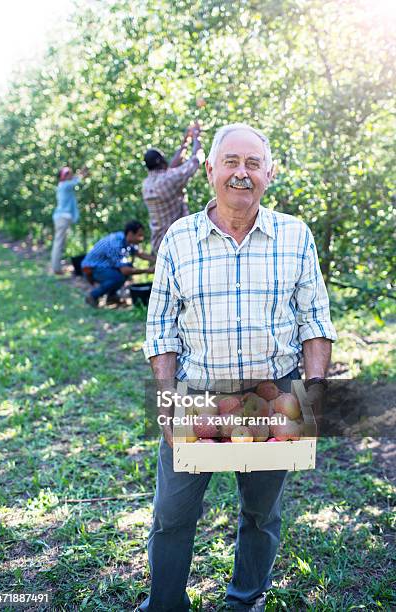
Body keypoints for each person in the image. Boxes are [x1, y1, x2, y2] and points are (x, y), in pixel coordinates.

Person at [141, 123, 337, 611]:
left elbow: (315, 320)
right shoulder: (179, 239)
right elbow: (161, 328)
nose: (241, 173)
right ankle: (165, 604)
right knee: (171, 515)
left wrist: (313, 392)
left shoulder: (295, 235)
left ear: (270, 173)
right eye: (231, 161)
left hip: (275, 398)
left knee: (260, 514)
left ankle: (245, 600)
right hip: (197, 397)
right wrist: (166, 402)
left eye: (253, 164)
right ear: (210, 170)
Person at [142, 123, 205, 254]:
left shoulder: (147, 184)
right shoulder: (169, 179)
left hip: (159, 243)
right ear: (161, 161)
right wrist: (196, 137)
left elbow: (171, 170)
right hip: (177, 242)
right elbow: (196, 159)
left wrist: (185, 142)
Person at [81, 220, 155, 308]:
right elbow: (125, 271)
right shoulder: (116, 243)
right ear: (131, 234)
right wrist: (148, 270)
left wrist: (159, 259)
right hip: (91, 269)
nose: (141, 239)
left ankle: (111, 297)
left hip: (103, 267)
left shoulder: (126, 239)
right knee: (119, 276)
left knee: (127, 268)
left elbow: (140, 254)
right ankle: (92, 296)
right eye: (139, 235)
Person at [51, 165, 88, 274]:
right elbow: (76, 181)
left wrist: (80, 173)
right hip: (63, 217)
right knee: (59, 243)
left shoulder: (63, 185)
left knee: (60, 242)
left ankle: (57, 267)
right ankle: (56, 269)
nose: (71, 175)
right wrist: (82, 174)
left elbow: (75, 179)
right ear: (64, 176)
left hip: (61, 218)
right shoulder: (65, 186)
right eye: (69, 173)